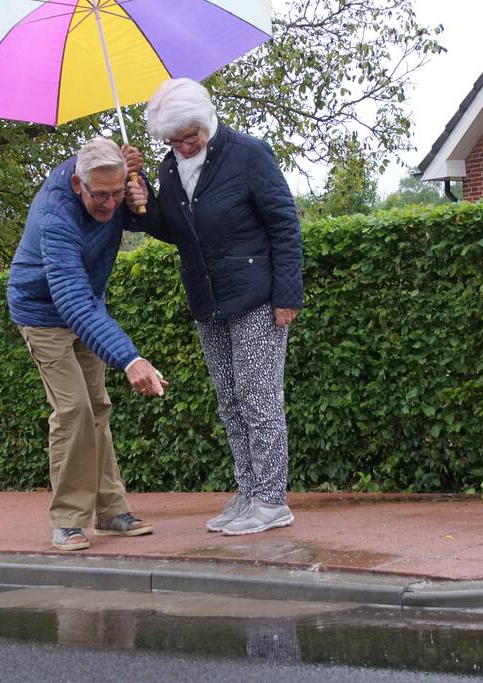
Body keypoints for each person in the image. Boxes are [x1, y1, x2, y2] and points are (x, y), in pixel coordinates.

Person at [125, 78, 303, 536]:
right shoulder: (169, 168)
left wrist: (288, 295)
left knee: (259, 399)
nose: (183, 147)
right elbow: (175, 231)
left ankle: (271, 500)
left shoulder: (249, 154)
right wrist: (142, 200)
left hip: (257, 297)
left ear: (206, 121)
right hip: (208, 299)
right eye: (173, 141)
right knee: (230, 401)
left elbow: (284, 224)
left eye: (190, 137)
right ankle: (248, 493)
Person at [7, 137, 167, 551]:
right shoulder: (56, 214)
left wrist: (141, 191)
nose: (110, 204)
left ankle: (112, 512)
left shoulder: (113, 185)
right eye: (101, 196)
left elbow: (147, 222)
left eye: (116, 193)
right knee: (74, 409)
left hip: (87, 305)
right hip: (43, 312)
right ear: (79, 185)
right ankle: (67, 520)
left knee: (97, 406)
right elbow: (71, 300)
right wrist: (129, 358)